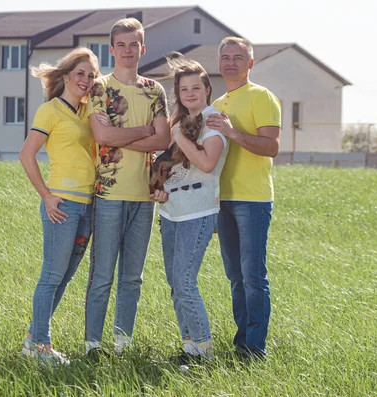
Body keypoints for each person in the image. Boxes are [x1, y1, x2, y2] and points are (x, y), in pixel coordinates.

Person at [84, 17, 170, 358]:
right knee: (102, 275)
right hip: (107, 194)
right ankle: (92, 345)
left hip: (143, 196)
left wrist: (137, 135)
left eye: (133, 44)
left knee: (132, 278)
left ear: (142, 48)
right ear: (112, 49)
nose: (127, 50)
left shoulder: (154, 90)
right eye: (121, 45)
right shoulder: (99, 88)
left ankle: (122, 345)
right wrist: (145, 131)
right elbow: (102, 137)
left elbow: (163, 139)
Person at [19, 47, 100, 366]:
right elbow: (27, 155)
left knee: (64, 278)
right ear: (66, 76)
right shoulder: (51, 110)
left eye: (92, 75)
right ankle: (41, 346)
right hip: (62, 206)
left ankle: (32, 340)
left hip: (87, 208)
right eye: (80, 73)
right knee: (51, 276)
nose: (86, 80)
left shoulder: (90, 111)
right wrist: (47, 196)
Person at [205, 37, 281, 360]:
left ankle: (256, 348)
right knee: (235, 276)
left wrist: (233, 132)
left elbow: (271, 147)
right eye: (225, 57)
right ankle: (242, 343)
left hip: (253, 201)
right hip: (223, 201)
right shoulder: (217, 103)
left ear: (250, 64)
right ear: (219, 63)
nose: (231, 62)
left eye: (239, 57)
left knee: (253, 276)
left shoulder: (261, 97)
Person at [150, 54, 229, 365]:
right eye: (184, 90)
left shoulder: (213, 122)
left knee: (185, 281)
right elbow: (171, 166)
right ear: (178, 94)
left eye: (196, 87)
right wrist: (160, 189)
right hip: (172, 211)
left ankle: (206, 353)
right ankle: (190, 349)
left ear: (207, 89)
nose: (191, 94)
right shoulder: (178, 123)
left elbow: (207, 164)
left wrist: (179, 137)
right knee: (174, 282)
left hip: (198, 212)